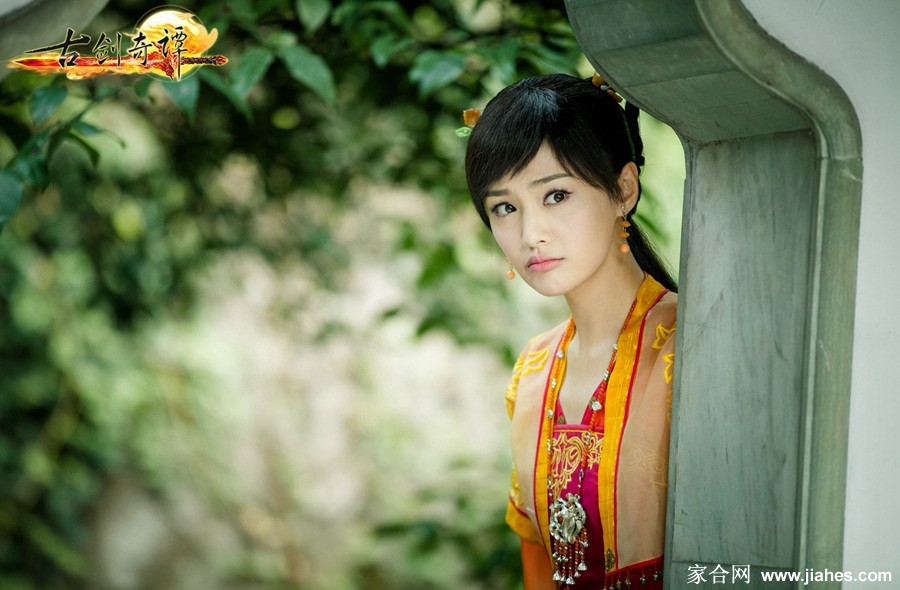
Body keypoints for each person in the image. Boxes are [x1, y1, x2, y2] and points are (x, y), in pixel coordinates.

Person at [462, 74, 677, 589]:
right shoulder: (533, 371)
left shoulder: (689, 348)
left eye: (556, 195)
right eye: (505, 207)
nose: (530, 234)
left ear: (623, 189)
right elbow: (538, 568)